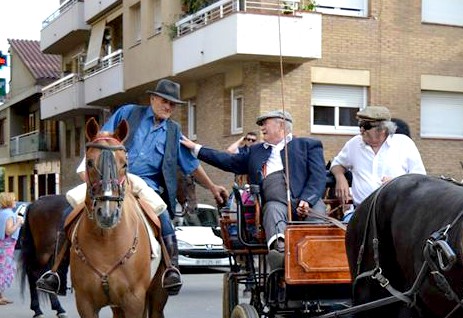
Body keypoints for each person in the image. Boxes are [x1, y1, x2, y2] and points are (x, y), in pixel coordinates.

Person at [38, 79, 229, 296]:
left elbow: (192, 166)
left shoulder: (174, 132)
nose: (168, 107)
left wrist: (213, 187)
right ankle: (56, 274)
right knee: (69, 212)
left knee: (163, 216)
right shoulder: (128, 113)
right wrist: (87, 168)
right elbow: (101, 140)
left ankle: (171, 269)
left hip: (146, 185)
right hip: (113, 178)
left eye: (173, 104)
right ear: (152, 99)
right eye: (165, 101)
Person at [182, 109, 326, 256]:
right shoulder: (255, 151)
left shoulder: (308, 145)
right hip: (276, 203)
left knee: (317, 218)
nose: (262, 128)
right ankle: (280, 254)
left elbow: (318, 176)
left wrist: (307, 200)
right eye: (261, 124)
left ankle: (316, 258)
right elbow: (227, 160)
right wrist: (196, 148)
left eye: (265, 123)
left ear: (281, 125)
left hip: (309, 202)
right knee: (271, 210)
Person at [331, 106, 426, 215]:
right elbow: (337, 163)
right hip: (361, 213)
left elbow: (420, 179)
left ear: (383, 129)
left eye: (366, 126)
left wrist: (397, 182)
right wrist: (340, 177)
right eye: (360, 125)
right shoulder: (354, 144)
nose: (361, 130)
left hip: (396, 213)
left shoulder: (404, 144)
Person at [0, 192, 24, 305]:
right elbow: (9, 231)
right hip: (6, 247)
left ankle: (1, 296)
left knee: (2, 269)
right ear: (9, 201)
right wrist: (19, 223)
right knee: (4, 270)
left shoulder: (2, 213)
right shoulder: (9, 214)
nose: (15, 201)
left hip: (3, 245)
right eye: (14, 200)